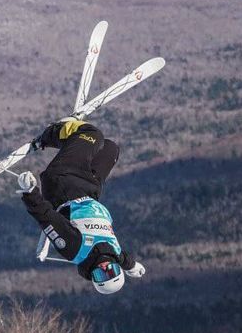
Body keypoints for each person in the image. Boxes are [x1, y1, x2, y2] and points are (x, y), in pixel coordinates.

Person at [17, 118, 146, 294]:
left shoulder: (76, 249)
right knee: (110, 148)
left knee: (92, 135)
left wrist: (29, 192)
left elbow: (46, 218)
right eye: (112, 271)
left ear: (93, 276)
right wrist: (132, 267)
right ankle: (75, 142)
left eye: (101, 274)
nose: (105, 266)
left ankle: (51, 134)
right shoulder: (114, 255)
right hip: (90, 189)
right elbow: (124, 259)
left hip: (63, 184)